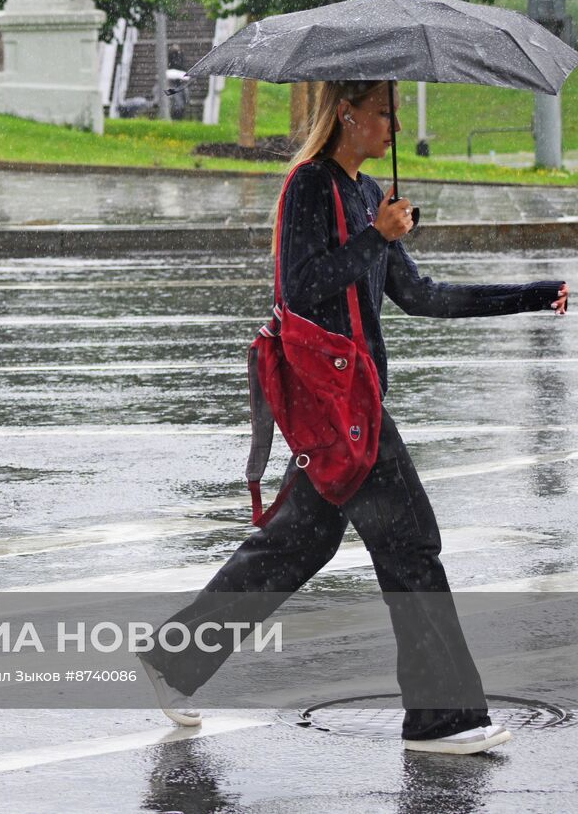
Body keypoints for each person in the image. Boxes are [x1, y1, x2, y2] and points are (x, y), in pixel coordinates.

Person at [138, 80, 568, 755]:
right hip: (338, 408)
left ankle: (175, 656)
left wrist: (535, 294)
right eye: (384, 113)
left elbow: (423, 296)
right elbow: (300, 289)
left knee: (297, 543)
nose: (394, 125)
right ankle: (440, 716)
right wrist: (375, 237)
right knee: (412, 541)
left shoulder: (370, 195)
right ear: (347, 114)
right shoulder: (310, 187)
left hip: (357, 403)